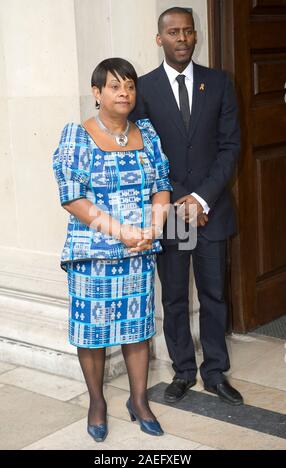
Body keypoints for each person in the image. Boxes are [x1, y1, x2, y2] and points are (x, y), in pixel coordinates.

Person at [53, 58, 172, 442]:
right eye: (115, 86)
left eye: (130, 86)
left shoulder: (147, 135)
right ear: (97, 93)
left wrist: (153, 227)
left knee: (137, 329)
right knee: (92, 334)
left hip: (138, 250)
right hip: (94, 254)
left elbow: (161, 184)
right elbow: (72, 198)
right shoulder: (78, 136)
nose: (125, 93)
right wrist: (121, 231)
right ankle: (97, 403)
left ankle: (139, 401)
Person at [130, 7, 243, 406]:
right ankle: (183, 372)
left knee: (213, 295)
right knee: (175, 296)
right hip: (172, 211)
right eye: (174, 32)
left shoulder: (219, 83)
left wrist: (201, 198)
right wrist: (181, 200)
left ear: (197, 37)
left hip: (210, 210)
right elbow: (145, 153)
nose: (182, 38)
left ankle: (215, 373)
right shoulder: (143, 89)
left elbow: (231, 146)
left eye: (188, 32)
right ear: (159, 39)